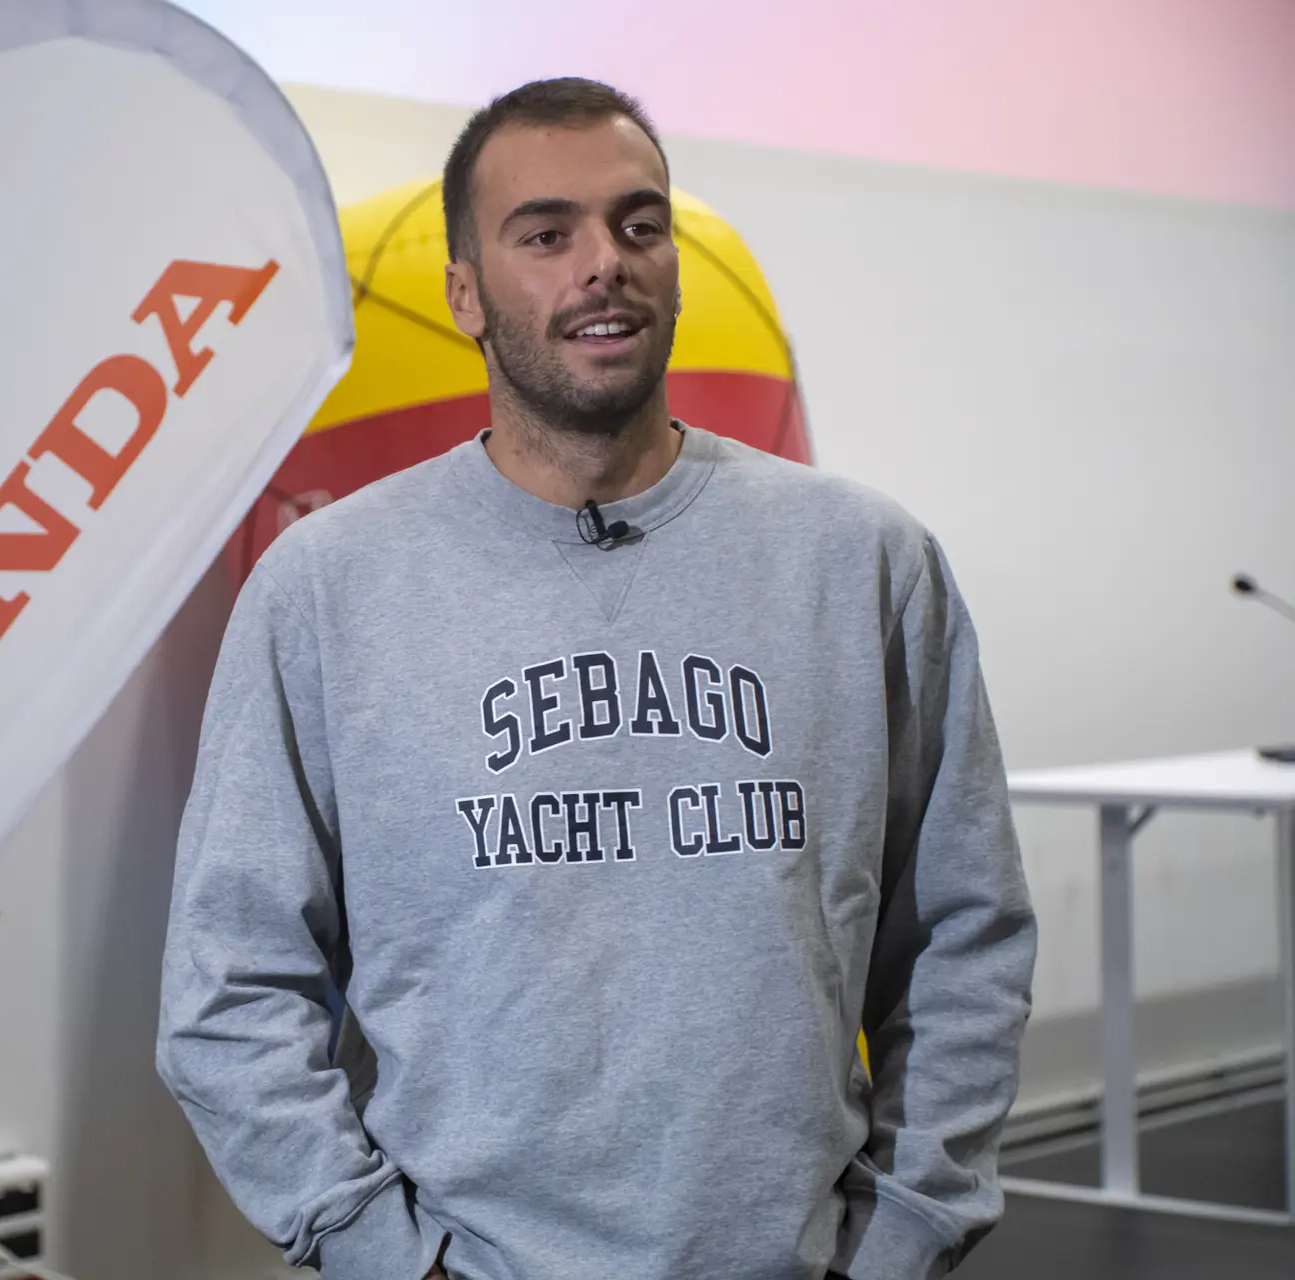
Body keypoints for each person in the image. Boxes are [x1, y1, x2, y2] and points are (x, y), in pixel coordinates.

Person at [156, 77, 1036, 1280]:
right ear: (465, 292)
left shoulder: (865, 562)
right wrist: (380, 1251)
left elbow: (963, 934)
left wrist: (902, 1234)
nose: (604, 263)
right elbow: (228, 984)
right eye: (545, 233)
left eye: (638, 223)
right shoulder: (326, 588)